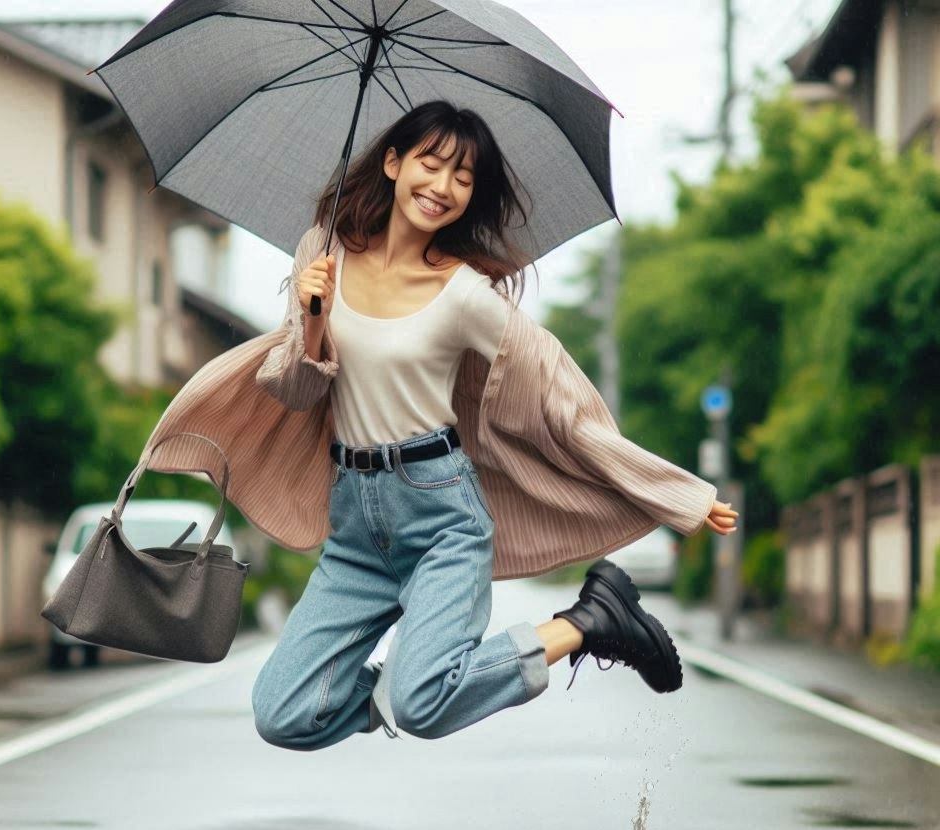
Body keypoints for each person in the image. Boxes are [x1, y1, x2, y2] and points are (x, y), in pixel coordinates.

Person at [241, 100, 738, 749]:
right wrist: (310, 320)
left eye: (463, 176)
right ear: (393, 162)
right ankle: (424, 685)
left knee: (422, 707)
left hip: (439, 513)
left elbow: (560, 401)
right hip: (356, 524)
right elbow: (296, 392)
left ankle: (589, 621)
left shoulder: (465, 294)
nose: (442, 186)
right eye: (431, 162)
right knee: (282, 712)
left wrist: (678, 491)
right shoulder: (322, 254)